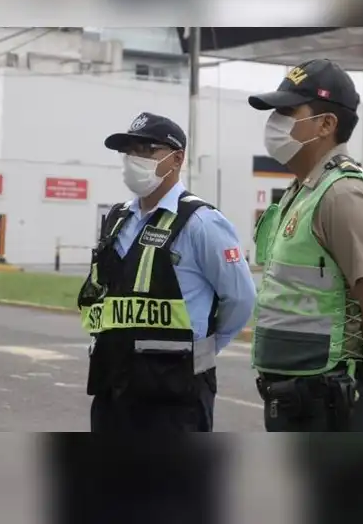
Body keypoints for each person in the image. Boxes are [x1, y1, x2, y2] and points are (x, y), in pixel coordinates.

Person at [247, 58, 363, 431]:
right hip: (295, 396)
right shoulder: (303, 191)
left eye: (288, 112)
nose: (275, 122)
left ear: (326, 124)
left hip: (329, 401)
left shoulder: (344, 195)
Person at [77, 112, 257, 432]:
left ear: (176, 159)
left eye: (147, 150)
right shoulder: (118, 219)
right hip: (113, 385)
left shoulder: (202, 222)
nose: (134, 159)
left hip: (174, 392)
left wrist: (203, 349)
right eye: (130, 151)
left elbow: (240, 299)